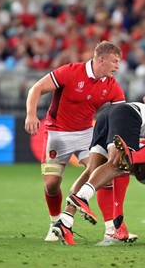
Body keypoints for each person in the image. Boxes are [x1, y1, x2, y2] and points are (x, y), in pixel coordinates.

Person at [51, 101, 145, 245]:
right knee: (118, 165)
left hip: (108, 114)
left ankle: (65, 220)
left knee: (92, 170)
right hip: (129, 115)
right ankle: (83, 197)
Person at [24, 40, 126, 241]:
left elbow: (121, 114)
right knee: (52, 184)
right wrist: (30, 114)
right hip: (56, 133)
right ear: (101, 60)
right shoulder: (70, 72)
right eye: (114, 61)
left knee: (103, 175)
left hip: (86, 134)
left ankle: (110, 228)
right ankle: (55, 224)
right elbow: (36, 88)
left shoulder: (111, 85)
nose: (117, 66)